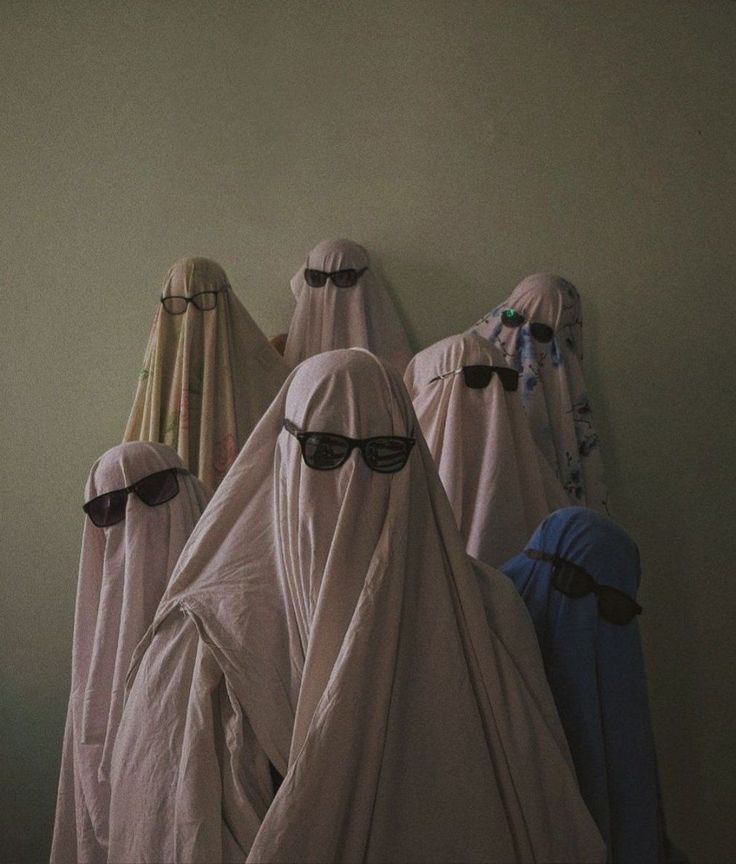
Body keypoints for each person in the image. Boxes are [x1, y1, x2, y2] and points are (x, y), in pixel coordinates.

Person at [108, 349, 603, 864]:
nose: (353, 482)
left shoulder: (488, 613)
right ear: (283, 449)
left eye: (384, 453)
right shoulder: (201, 643)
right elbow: (167, 833)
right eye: (323, 450)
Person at [50, 442, 209, 864]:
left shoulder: (226, 614)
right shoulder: (96, 649)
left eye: (155, 491)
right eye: (109, 508)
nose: (135, 514)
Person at [500, 507, 683, 863]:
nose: (595, 613)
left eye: (617, 608)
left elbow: (631, 791)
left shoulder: (615, 673)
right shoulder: (491, 652)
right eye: (575, 586)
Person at [405, 330, 569, 567]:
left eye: (505, 380)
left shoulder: (544, 490)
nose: (493, 393)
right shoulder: (545, 492)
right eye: (476, 378)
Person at [124, 256, 288, 491]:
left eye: (203, 301)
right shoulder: (160, 370)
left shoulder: (257, 363)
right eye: (177, 301)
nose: (191, 314)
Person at [472, 273, 608, 511]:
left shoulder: (565, 380)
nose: (524, 340)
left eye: (541, 333)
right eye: (512, 317)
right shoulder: (464, 359)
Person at [282, 238, 412, 372]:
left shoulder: (386, 339)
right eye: (316, 277)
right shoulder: (295, 347)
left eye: (343, 277)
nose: (329, 289)